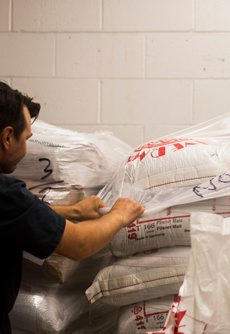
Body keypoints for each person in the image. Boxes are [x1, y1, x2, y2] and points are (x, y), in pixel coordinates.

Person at [0, 82, 145, 333]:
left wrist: (73, 211)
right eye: (26, 139)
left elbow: (12, 219)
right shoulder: (6, 193)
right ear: (7, 137)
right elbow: (78, 244)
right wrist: (120, 215)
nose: (26, 149)